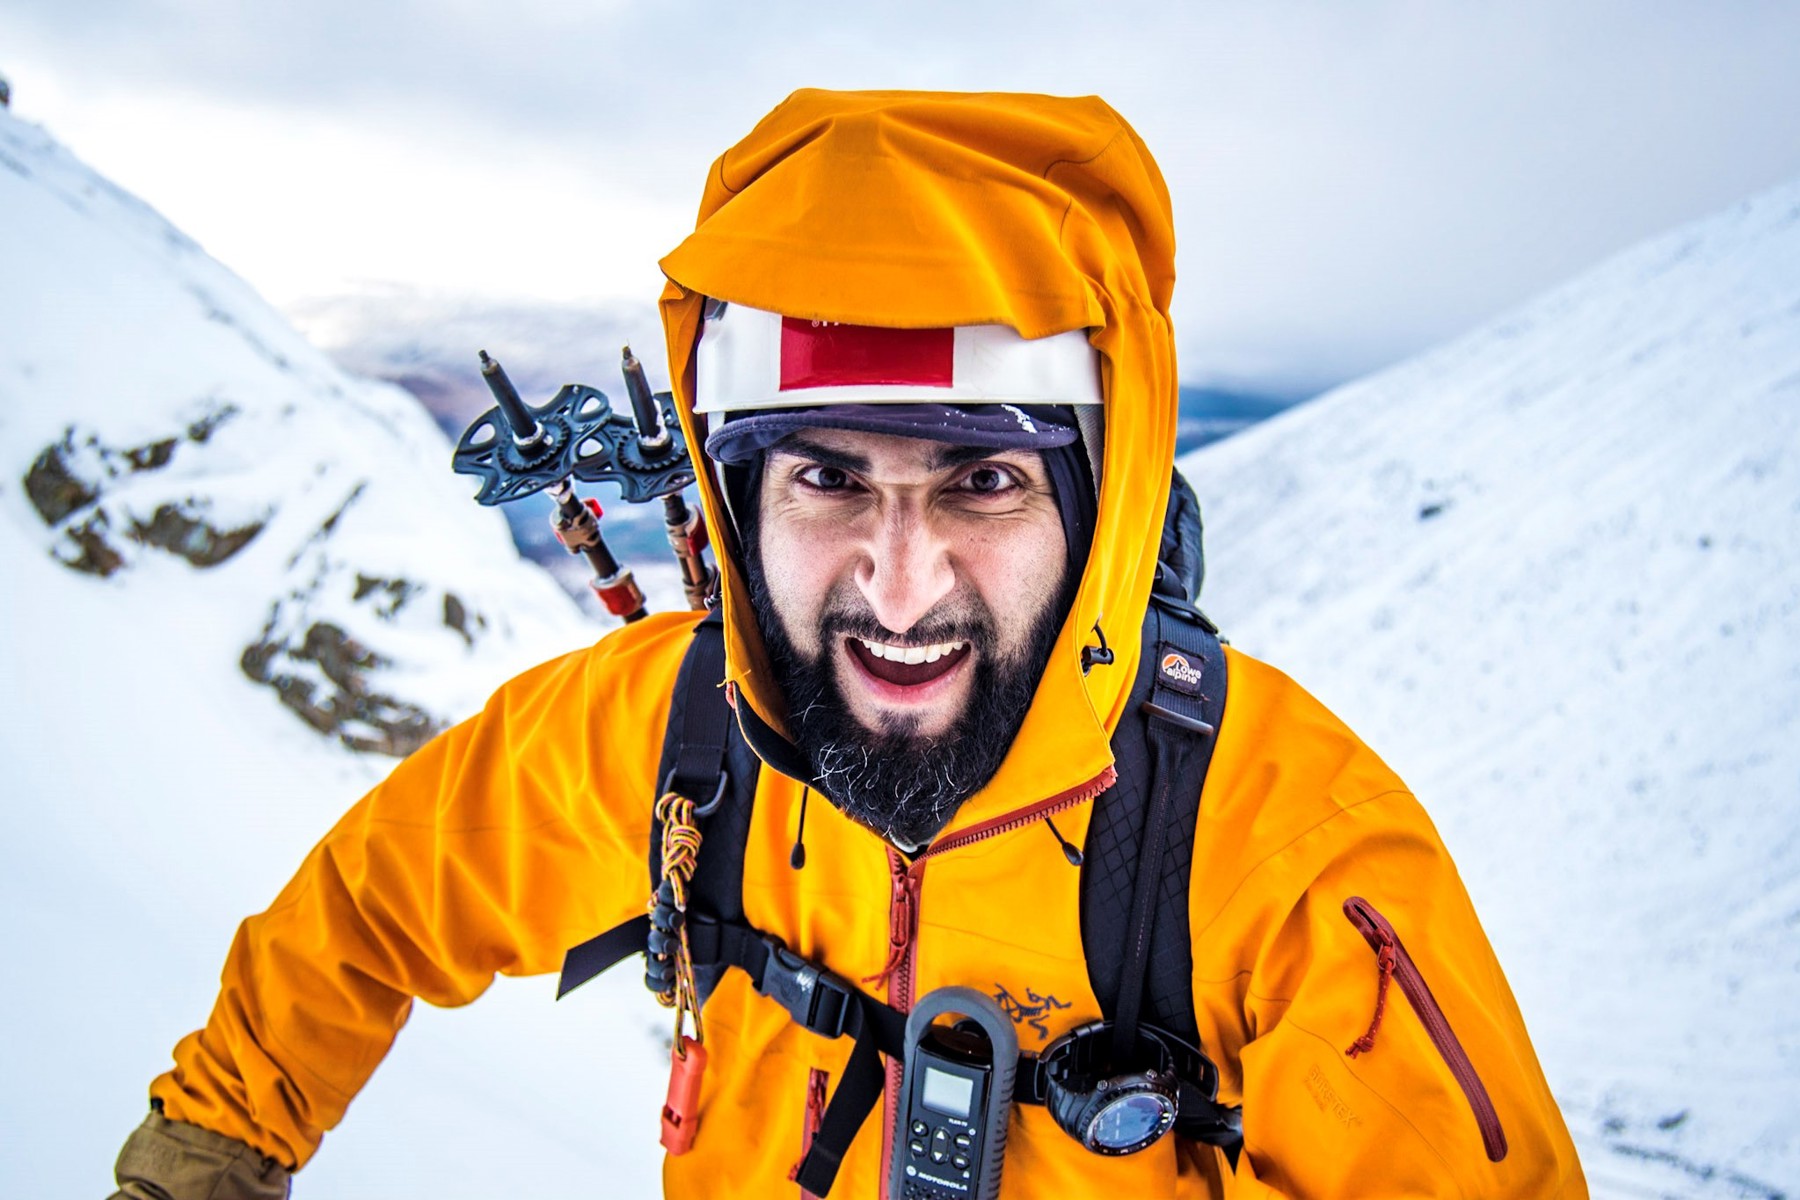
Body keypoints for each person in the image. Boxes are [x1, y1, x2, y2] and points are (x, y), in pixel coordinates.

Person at [110, 89, 1587, 1199]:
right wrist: (214, 1146)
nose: (895, 589)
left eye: (981, 481)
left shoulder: (1279, 853)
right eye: (824, 479)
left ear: (1097, 500)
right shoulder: (673, 730)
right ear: (737, 493)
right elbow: (376, 903)